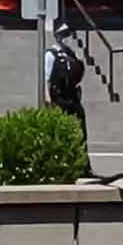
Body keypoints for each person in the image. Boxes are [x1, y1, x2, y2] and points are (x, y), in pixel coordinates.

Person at [45, 21, 93, 175]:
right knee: (61, 134)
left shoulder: (72, 54)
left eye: (69, 34)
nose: (67, 38)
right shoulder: (50, 54)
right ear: (57, 36)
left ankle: (83, 166)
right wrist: (48, 102)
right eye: (64, 34)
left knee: (80, 132)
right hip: (59, 100)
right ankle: (61, 167)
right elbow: (46, 79)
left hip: (73, 98)